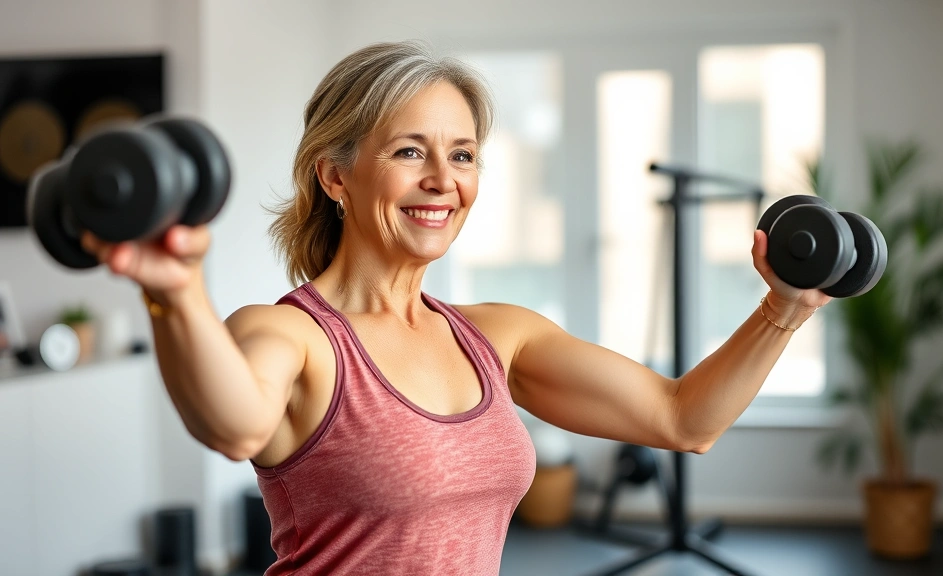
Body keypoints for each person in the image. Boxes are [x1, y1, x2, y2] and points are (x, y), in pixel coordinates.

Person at [81, 40, 829, 575]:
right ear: (335, 177)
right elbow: (236, 425)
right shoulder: (292, 337)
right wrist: (175, 290)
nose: (444, 180)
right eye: (410, 152)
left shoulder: (496, 336)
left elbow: (682, 419)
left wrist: (783, 307)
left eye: (463, 154)